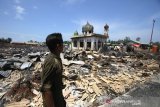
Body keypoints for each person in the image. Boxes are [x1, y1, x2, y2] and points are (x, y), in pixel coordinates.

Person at [41, 33, 66, 107]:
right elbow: (46, 89)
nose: (63, 46)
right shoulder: (53, 62)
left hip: (58, 99)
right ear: (58, 46)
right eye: (62, 43)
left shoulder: (54, 58)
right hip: (55, 102)